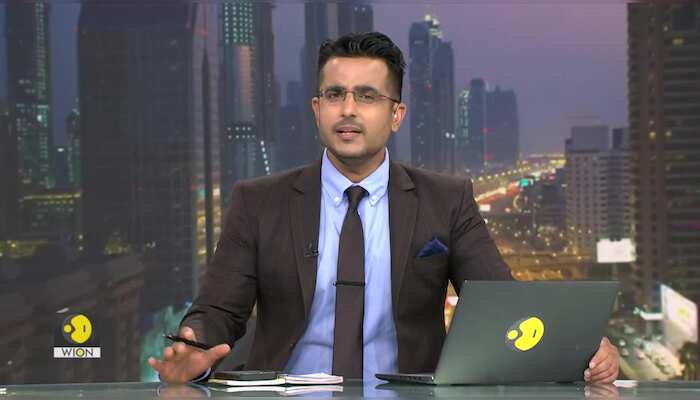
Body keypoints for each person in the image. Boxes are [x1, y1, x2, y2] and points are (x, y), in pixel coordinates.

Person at [148, 31, 619, 384]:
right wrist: (193, 346)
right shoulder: (258, 201)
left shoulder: (446, 200)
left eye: (367, 96)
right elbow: (217, 309)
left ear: (396, 115)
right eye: (335, 95)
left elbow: (501, 304)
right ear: (316, 109)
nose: (348, 109)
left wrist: (580, 347)